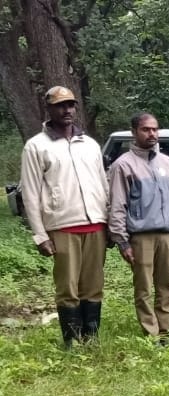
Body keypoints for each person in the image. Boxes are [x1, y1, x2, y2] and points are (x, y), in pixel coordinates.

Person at [20, 86, 109, 348]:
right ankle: (72, 341)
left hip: (95, 225)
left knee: (93, 285)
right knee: (68, 287)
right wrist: (40, 235)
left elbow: (103, 184)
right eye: (60, 105)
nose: (66, 110)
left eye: (70, 105)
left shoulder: (90, 144)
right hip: (62, 226)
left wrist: (111, 224)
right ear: (49, 109)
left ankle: (91, 338)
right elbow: (31, 194)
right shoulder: (36, 146)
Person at [107, 113, 169, 344]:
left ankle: (166, 329)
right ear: (134, 132)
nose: (151, 134)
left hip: (168, 234)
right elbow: (117, 205)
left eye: (155, 129)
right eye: (145, 129)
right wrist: (122, 240)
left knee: (166, 284)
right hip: (141, 236)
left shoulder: (167, 162)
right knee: (144, 286)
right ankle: (150, 332)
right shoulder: (123, 164)